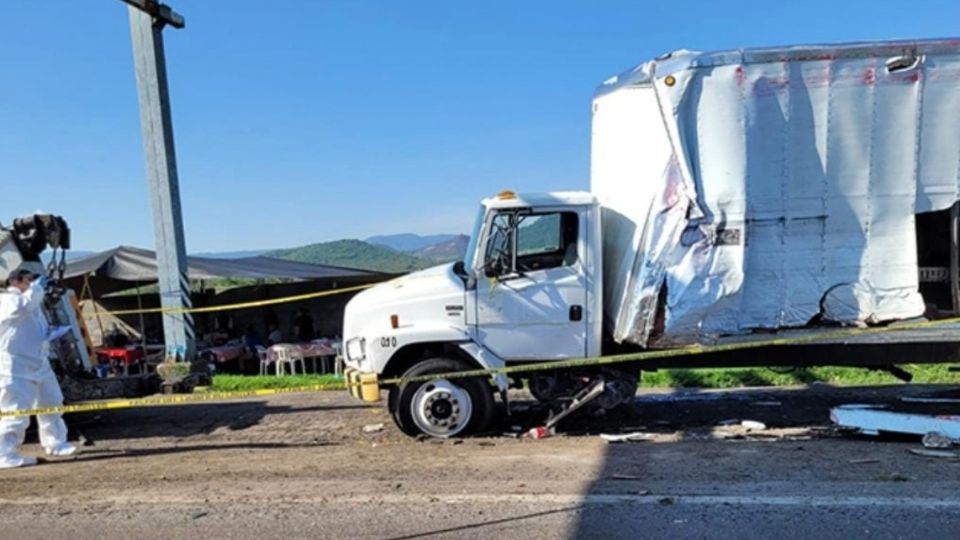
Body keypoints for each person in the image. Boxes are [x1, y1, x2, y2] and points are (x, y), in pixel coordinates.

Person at [0, 268, 77, 469]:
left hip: (39, 363)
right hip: (15, 368)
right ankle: (5, 453)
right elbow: (22, 307)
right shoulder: (8, 299)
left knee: (52, 403)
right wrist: (36, 288)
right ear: (16, 281)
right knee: (16, 411)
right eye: (30, 280)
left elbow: (33, 325)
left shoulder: (33, 302)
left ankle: (55, 443)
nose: (35, 284)